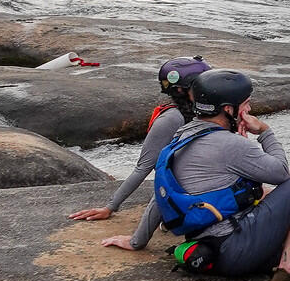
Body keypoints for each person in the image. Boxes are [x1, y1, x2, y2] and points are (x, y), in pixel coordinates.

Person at [102, 68, 290, 281]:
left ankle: (285, 254)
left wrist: (137, 241)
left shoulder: (182, 136)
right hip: (238, 248)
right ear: (228, 109)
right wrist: (265, 132)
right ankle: (289, 268)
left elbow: (163, 195)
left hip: (207, 251)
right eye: (246, 103)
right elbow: (281, 173)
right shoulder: (231, 145)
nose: (249, 108)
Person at [68, 55, 209, 223]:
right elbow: (143, 167)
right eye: (200, 86)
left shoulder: (203, 113)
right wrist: (110, 207)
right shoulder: (171, 119)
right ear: (180, 90)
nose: (207, 90)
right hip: (182, 194)